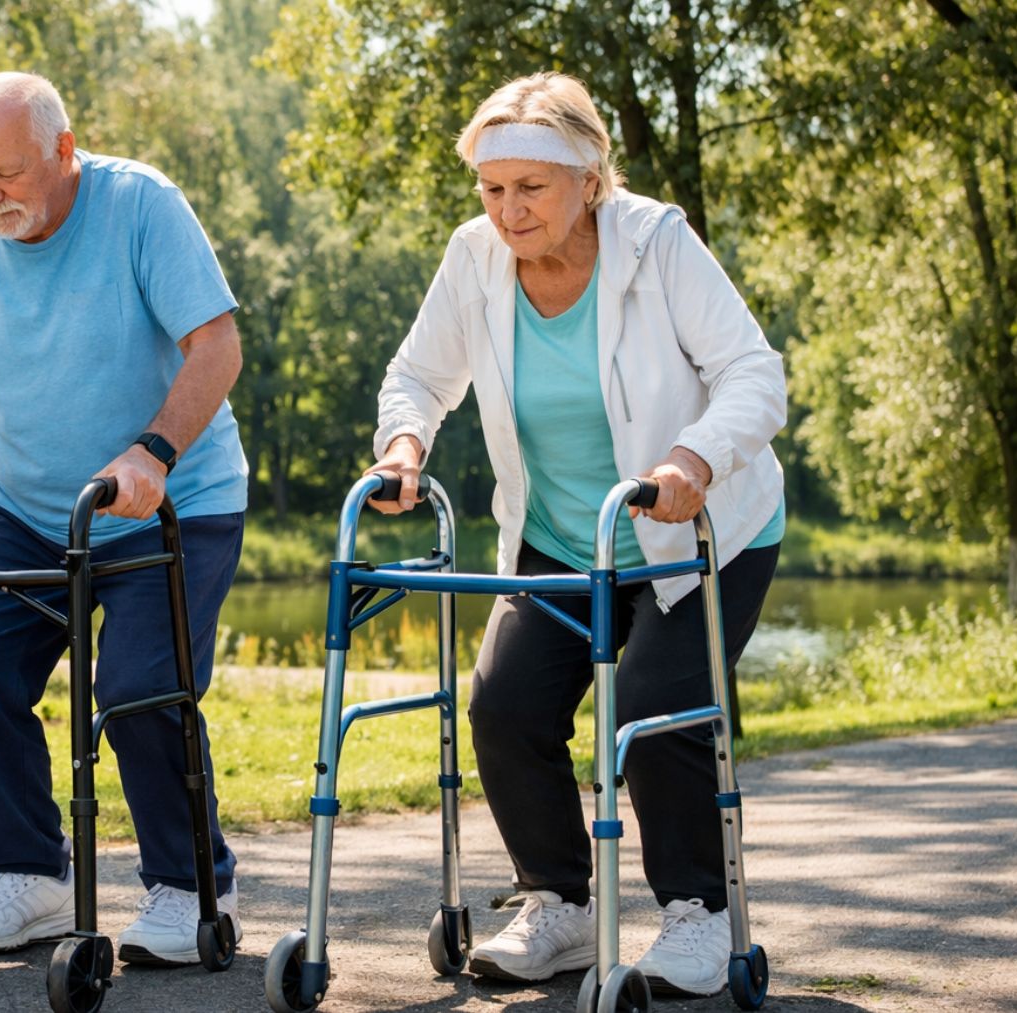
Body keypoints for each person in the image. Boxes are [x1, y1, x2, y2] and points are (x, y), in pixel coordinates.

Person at [368, 72, 786, 997]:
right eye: (492, 187)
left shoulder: (656, 245)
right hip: (565, 536)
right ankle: (558, 902)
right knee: (504, 704)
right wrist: (404, 444)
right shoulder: (474, 258)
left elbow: (754, 374)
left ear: (588, 179)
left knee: (648, 707)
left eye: (531, 188)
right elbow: (419, 375)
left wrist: (693, 458)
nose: (508, 210)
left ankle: (698, 916)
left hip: (702, 530)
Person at [0, 71, 247, 965]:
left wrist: (153, 451)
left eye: (9, 175)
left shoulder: (140, 205)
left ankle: (191, 888)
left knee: (139, 686)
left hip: (171, 500)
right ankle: (29, 874)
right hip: (30, 506)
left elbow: (216, 343)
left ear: (65, 151)